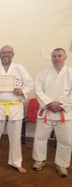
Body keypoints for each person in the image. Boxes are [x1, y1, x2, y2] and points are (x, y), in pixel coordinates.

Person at [0, 45, 33, 173]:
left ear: (13, 54)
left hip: (15, 106)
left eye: (9, 52)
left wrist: (22, 90)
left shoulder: (20, 68)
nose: (6, 54)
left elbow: (29, 84)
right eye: (3, 52)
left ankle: (16, 162)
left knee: (15, 136)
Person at [32, 48, 72, 177]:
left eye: (59, 56)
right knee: (40, 137)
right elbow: (38, 90)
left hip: (64, 113)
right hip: (47, 111)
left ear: (65, 57)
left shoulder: (70, 72)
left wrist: (61, 105)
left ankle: (62, 164)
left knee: (66, 140)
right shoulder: (43, 73)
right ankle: (39, 160)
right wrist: (49, 103)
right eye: (54, 56)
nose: (56, 58)